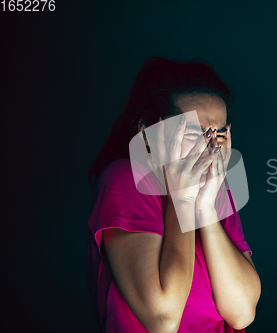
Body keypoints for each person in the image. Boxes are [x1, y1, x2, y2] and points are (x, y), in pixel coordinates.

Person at [86, 57, 261, 333]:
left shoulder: (215, 191)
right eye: (195, 132)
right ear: (147, 132)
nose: (210, 149)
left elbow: (242, 313)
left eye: (219, 135)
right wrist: (182, 201)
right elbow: (163, 319)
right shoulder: (126, 180)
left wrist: (205, 209)